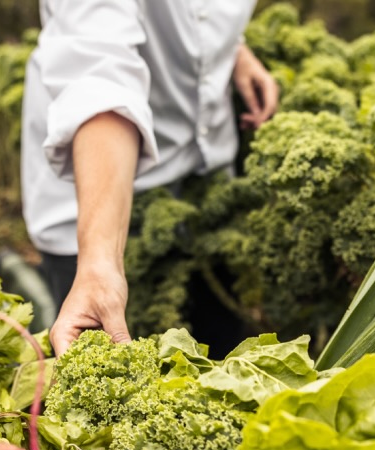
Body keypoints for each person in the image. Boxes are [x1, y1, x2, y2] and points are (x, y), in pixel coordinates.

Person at [21, 1, 280, 354]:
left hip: (203, 181)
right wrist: (100, 267)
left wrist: (231, 49)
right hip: (97, 201)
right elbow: (100, 76)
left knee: (220, 348)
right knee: (116, 383)